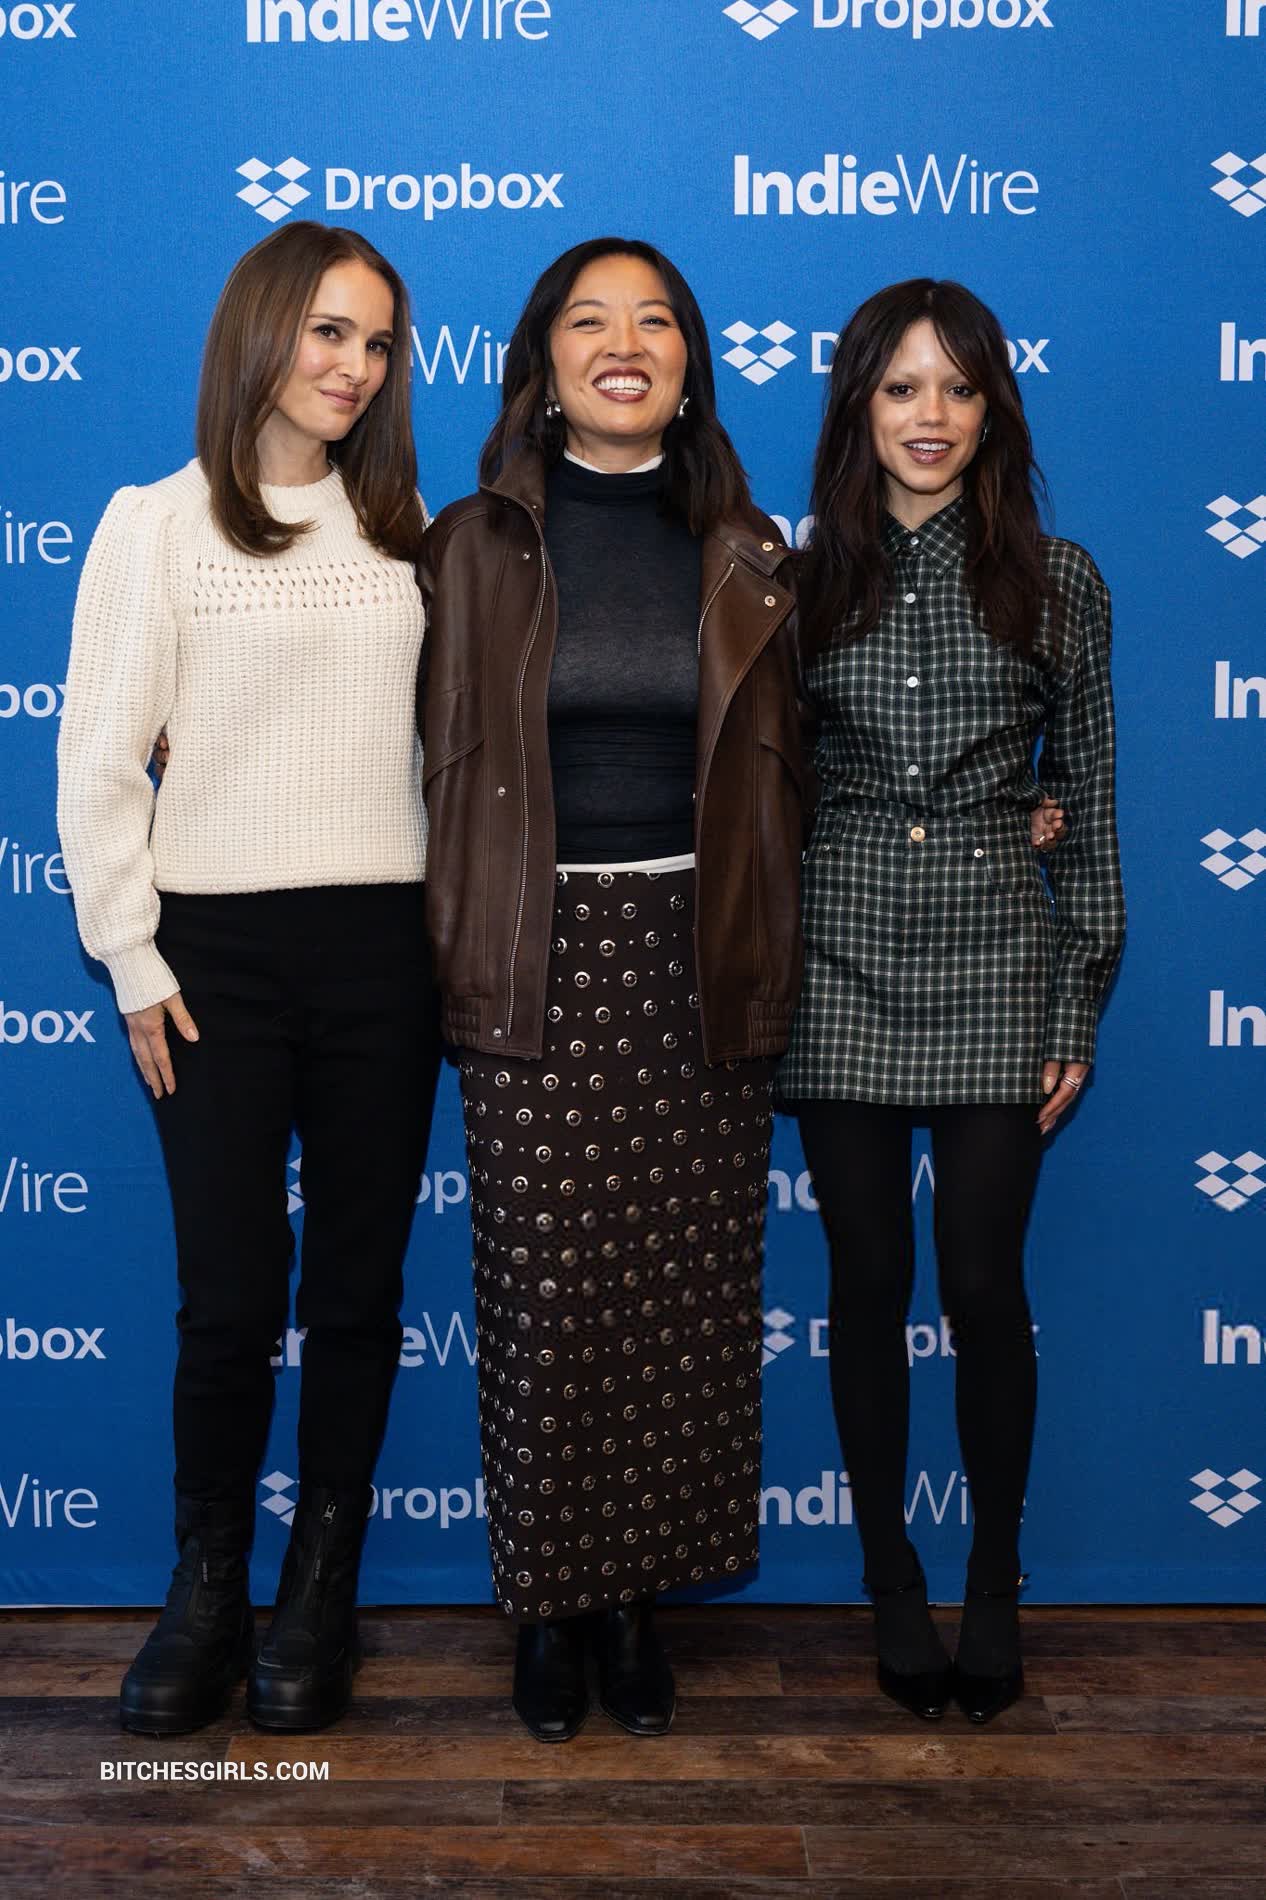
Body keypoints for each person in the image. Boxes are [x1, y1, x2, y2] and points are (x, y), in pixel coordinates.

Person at [57, 221, 440, 1736]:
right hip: (210, 959)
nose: (355, 367)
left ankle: (318, 1592)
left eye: (377, 343)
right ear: (262, 331)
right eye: (330, 331)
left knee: (356, 1291)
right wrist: (132, 956)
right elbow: (99, 756)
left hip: (384, 952)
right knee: (227, 1298)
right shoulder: (153, 524)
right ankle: (205, 1589)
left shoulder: (413, 533)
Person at [419, 237, 804, 1742]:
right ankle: (549, 1606)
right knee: (546, 1301)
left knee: (681, 1304)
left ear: (690, 366)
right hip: (535, 952)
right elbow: (383, 731)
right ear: (544, 363)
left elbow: (808, 762)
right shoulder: (467, 545)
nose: (622, 343)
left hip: (703, 956)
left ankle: (635, 1605)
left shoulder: (751, 549)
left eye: (653, 321)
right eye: (589, 321)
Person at [779, 279, 1124, 1725]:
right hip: (837, 954)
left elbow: (1088, 800)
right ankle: (888, 1578)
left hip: (998, 955)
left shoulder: (1060, 579)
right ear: (859, 406)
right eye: (902, 387)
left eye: (959, 389)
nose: (931, 416)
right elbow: (761, 789)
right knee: (865, 1282)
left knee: (983, 1286)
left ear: (994, 410)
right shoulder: (795, 582)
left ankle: (993, 1579)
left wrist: (1075, 998)